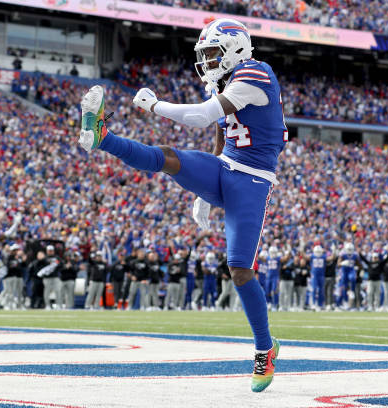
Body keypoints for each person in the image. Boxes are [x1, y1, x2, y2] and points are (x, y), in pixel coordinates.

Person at [78, 18, 283, 391]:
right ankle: (102, 136)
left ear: (236, 47)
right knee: (169, 158)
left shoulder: (257, 72)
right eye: (203, 54)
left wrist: (156, 107)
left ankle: (265, 348)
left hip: (253, 180)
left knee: (239, 269)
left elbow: (203, 117)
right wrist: (205, 191)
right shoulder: (227, 79)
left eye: (211, 52)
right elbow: (221, 134)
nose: (206, 61)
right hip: (226, 167)